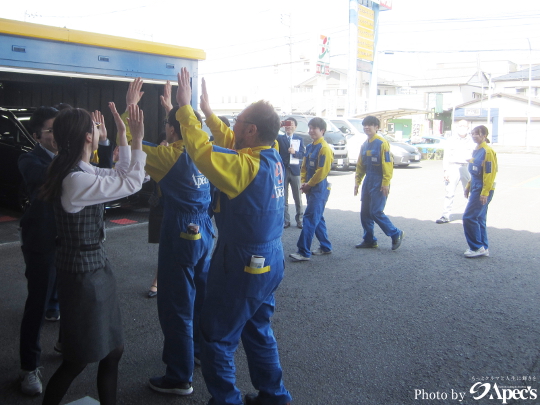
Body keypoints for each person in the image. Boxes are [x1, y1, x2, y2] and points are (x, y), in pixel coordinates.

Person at [175, 68, 292, 405]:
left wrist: (186, 111)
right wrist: (208, 114)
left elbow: (204, 154)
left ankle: (226, 400)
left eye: (238, 121)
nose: (233, 126)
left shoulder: (244, 167)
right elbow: (228, 141)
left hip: (242, 262)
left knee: (216, 338)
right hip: (270, 260)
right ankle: (275, 396)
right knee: (257, 329)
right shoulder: (270, 159)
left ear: (251, 130)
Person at [39, 103, 146, 405]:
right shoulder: (76, 180)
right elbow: (131, 183)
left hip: (94, 266)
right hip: (83, 274)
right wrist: (137, 139)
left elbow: (120, 173)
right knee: (77, 359)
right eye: (96, 128)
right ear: (88, 137)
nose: (100, 132)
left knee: (113, 351)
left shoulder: (80, 170)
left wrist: (124, 135)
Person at [119, 78, 214, 396]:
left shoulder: (167, 156)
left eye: (168, 125)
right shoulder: (206, 150)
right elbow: (188, 126)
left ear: (172, 130)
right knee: (200, 298)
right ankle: (197, 354)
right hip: (206, 231)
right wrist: (176, 108)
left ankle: (178, 376)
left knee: (176, 305)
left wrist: (130, 107)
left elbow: (130, 146)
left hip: (182, 231)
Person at [17, 106, 112, 396]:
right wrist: (87, 147)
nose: (58, 135)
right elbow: (72, 176)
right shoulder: (30, 161)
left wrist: (101, 143)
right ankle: (29, 366)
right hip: (43, 242)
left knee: (67, 300)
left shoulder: (70, 160)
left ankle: (65, 342)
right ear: (37, 135)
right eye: (51, 130)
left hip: (70, 246)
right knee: (39, 302)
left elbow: (101, 176)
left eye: (60, 128)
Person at [354, 115, 404, 250]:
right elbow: (360, 165)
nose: (367, 127)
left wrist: (386, 182)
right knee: (365, 212)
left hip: (379, 180)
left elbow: (388, 164)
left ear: (377, 127)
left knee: (376, 211)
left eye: (370, 125)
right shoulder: (364, 145)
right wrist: (357, 181)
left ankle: (395, 233)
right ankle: (369, 240)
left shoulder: (382, 143)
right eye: (365, 125)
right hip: (368, 179)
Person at [289, 117, 333, 262]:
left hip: (320, 188)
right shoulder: (310, 147)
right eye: (310, 128)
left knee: (309, 218)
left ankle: (303, 251)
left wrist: (309, 184)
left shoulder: (324, 148)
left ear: (323, 131)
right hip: (311, 186)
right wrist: (304, 182)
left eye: (315, 128)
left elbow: (322, 171)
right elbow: (304, 167)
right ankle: (325, 246)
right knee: (317, 217)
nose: (311, 131)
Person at [462, 125, 497, 258]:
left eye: (477, 133)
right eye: (472, 133)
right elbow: (475, 172)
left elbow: (489, 173)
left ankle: (476, 247)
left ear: (484, 135)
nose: (474, 136)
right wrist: (468, 186)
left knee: (469, 217)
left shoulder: (487, 151)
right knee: (479, 218)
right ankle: (483, 246)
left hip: (482, 188)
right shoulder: (477, 150)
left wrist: (485, 192)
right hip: (476, 186)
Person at [436, 119, 475, 223]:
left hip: (467, 167)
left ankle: (470, 216)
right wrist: (445, 171)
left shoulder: (472, 140)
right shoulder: (451, 140)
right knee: (449, 192)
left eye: (464, 126)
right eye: (460, 125)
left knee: (470, 193)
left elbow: (475, 156)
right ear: (457, 127)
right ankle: (445, 216)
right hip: (453, 167)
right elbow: (446, 156)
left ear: (468, 127)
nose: (462, 127)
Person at [277, 117, 305, 229]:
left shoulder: (299, 139)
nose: (289, 126)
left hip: (295, 171)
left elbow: (303, 154)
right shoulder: (279, 138)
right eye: (287, 124)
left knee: (298, 197)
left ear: (295, 127)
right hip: (283, 170)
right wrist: (278, 125)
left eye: (291, 124)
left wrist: (295, 153)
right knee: (284, 197)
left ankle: (300, 219)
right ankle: (286, 220)